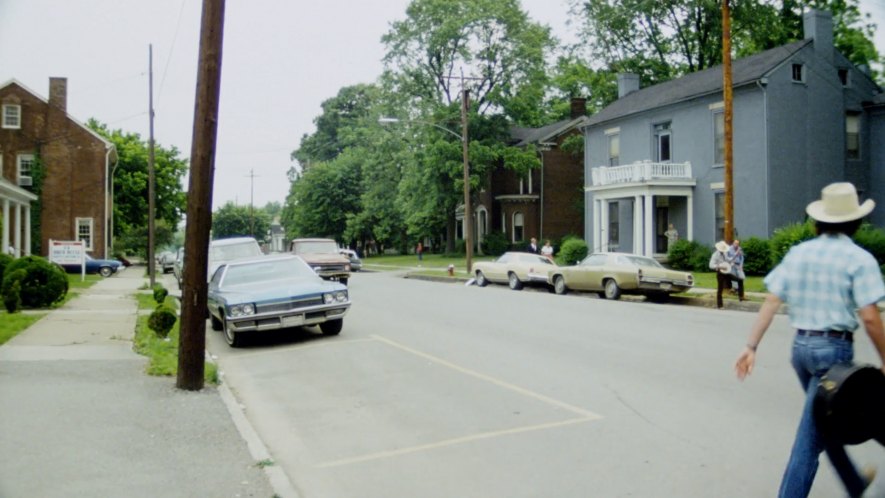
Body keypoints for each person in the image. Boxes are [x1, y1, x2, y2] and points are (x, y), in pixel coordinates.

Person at [734, 182, 885, 498]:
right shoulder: (858, 258)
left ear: (819, 221)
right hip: (833, 355)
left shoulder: (798, 254)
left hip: (801, 350)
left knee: (826, 420)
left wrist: (751, 346)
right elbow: (870, 317)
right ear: (855, 222)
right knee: (810, 439)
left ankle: (855, 484)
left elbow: (772, 301)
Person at [708, 240, 735, 309]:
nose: (723, 251)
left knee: (732, 282)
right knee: (720, 288)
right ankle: (720, 305)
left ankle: (732, 289)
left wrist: (732, 262)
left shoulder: (725, 253)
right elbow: (711, 265)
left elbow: (728, 260)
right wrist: (719, 266)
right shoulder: (715, 255)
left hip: (726, 271)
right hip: (720, 271)